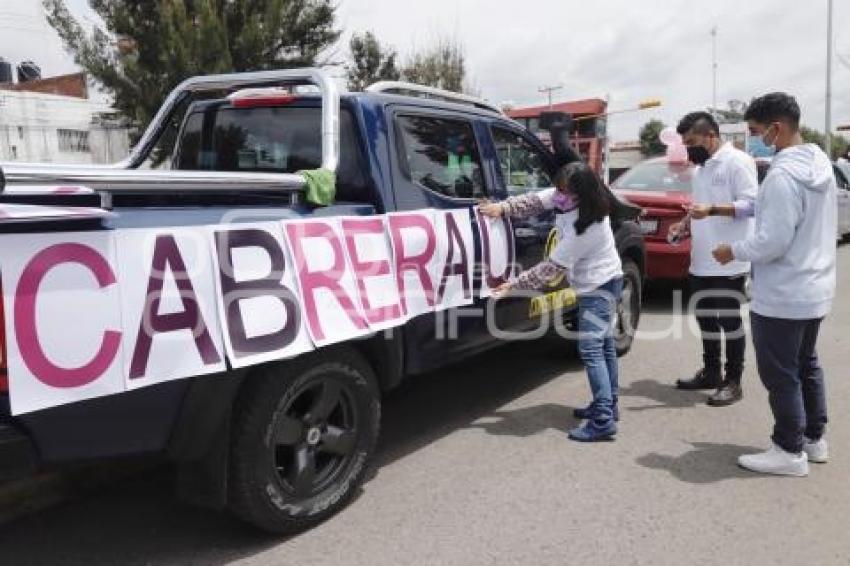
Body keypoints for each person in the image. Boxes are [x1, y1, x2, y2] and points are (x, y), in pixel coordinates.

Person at [713, 92, 837, 476]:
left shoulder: (783, 176)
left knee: (781, 373)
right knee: (806, 365)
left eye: (753, 131)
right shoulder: (820, 164)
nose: (752, 138)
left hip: (784, 293)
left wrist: (732, 249)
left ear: (776, 128)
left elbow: (772, 242)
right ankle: (813, 439)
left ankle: (789, 450)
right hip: (814, 289)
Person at [480, 162, 623, 442]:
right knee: (605, 345)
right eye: (558, 189)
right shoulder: (568, 197)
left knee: (592, 349)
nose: (557, 196)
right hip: (601, 282)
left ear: (580, 195)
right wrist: (503, 209)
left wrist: (514, 285)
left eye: (564, 193)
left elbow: (551, 268)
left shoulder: (588, 226)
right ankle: (608, 405)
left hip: (600, 287)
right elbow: (534, 201)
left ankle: (603, 419)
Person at [668, 112, 757, 406]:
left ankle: (734, 381)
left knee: (729, 321)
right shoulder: (701, 168)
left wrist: (713, 211)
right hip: (701, 259)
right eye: (684, 144)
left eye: (692, 142)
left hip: (729, 258)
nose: (689, 148)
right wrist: (684, 223)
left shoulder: (737, 162)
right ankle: (711, 372)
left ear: (710, 135)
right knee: (705, 319)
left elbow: (752, 205)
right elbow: (698, 205)